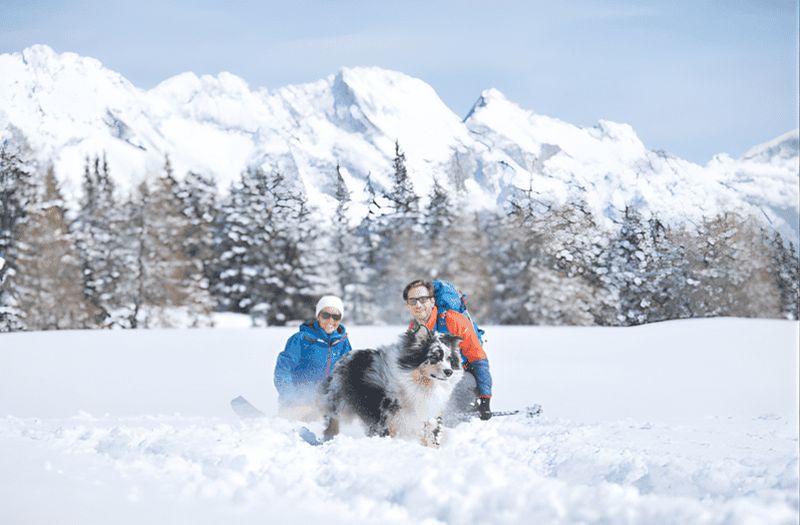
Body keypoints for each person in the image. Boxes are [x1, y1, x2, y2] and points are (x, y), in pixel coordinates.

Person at [403, 279, 493, 421]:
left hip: (462, 374)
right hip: (435, 376)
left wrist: (485, 398)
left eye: (423, 300)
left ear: (432, 302)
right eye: (413, 301)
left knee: (459, 393)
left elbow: (478, 358)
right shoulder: (414, 329)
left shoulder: (453, 321)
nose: (418, 305)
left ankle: (462, 415)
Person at [273, 295, 352, 420]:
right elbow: (282, 371)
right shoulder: (301, 339)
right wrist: (291, 399)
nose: (330, 320)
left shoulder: (343, 343)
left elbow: (347, 376)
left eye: (336, 316)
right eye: (326, 315)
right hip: (298, 403)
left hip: (326, 406)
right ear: (318, 316)